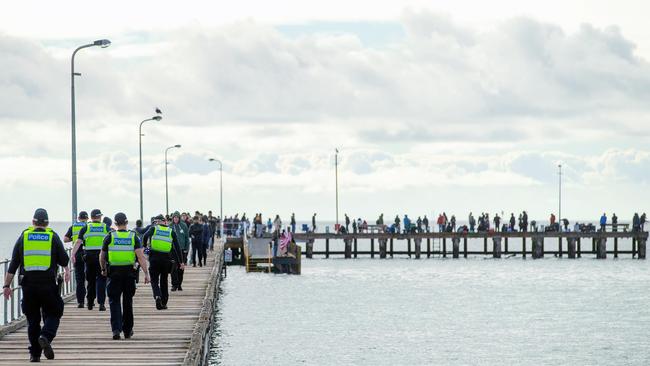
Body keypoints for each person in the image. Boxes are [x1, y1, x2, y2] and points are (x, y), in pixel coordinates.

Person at [3, 209, 70, 362]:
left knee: (32, 320)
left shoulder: (23, 237)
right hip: (48, 285)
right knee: (54, 312)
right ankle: (45, 336)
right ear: (47, 223)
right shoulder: (52, 236)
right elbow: (64, 260)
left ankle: (35, 355)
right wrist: (63, 268)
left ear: (33, 222)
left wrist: (6, 286)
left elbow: (13, 265)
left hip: (28, 285)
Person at [99, 213, 150, 340]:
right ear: (126, 222)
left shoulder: (109, 237)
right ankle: (127, 331)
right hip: (129, 274)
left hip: (114, 273)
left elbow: (102, 256)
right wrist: (146, 273)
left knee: (114, 301)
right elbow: (140, 257)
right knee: (128, 301)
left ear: (115, 224)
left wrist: (103, 269)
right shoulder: (133, 237)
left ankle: (116, 330)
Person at [142, 215, 184, 310]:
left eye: (156, 222)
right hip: (166, 259)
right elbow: (177, 248)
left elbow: (145, 236)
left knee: (154, 280)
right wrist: (181, 262)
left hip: (154, 258)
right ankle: (164, 303)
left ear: (158, 222)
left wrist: (145, 246)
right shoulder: (171, 231)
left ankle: (157, 296)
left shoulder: (154, 229)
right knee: (164, 280)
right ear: (165, 221)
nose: (156, 223)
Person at [71, 209, 108, 311]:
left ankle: (90, 303)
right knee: (101, 279)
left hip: (89, 257)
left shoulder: (86, 228)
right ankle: (101, 304)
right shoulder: (105, 227)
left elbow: (78, 242)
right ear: (100, 217)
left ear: (91, 218)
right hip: (102, 257)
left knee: (90, 280)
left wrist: (72, 254)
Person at [63, 211, 89, 308]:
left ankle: (80, 302)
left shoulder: (73, 227)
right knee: (90, 278)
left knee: (79, 279)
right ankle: (91, 299)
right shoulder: (89, 226)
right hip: (88, 253)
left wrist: (73, 239)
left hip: (76, 253)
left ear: (78, 218)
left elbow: (65, 239)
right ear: (87, 218)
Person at [170, 212, 189, 291]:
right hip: (172, 250)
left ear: (179, 218)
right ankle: (174, 285)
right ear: (173, 218)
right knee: (173, 268)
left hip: (182, 250)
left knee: (181, 268)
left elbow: (187, 238)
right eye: (174, 217)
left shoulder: (184, 226)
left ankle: (179, 284)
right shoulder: (170, 226)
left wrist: (186, 249)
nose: (176, 219)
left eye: (177, 217)